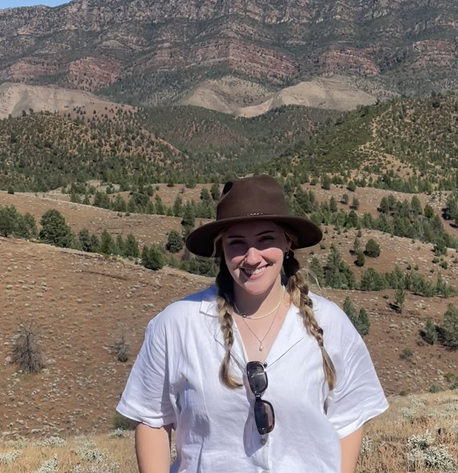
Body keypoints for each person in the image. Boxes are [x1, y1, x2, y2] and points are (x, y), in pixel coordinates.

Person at [117, 174, 388, 473]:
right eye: (237, 243)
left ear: (288, 243)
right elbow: (153, 420)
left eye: (265, 239)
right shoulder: (176, 325)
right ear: (222, 250)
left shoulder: (331, 324)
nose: (252, 257)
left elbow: (348, 420)